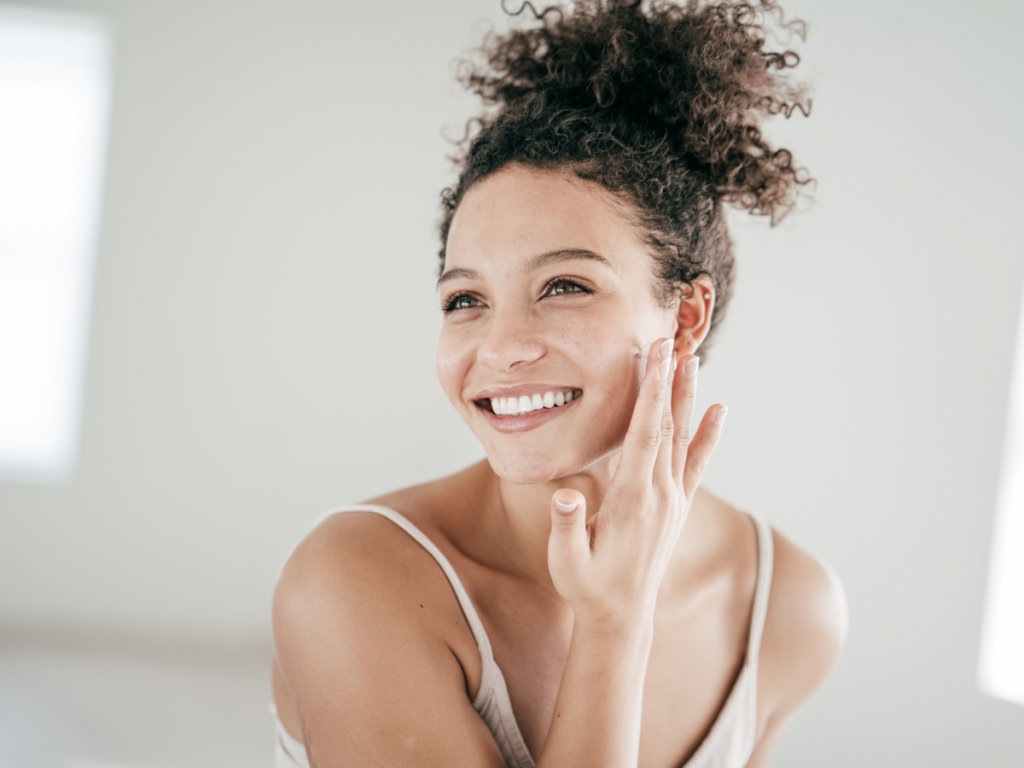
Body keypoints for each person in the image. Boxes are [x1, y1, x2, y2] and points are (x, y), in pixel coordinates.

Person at [270, 1, 847, 766]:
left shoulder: (788, 608)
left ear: (686, 316)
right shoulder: (355, 582)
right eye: (465, 300)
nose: (501, 347)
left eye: (565, 286)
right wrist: (614, 622)